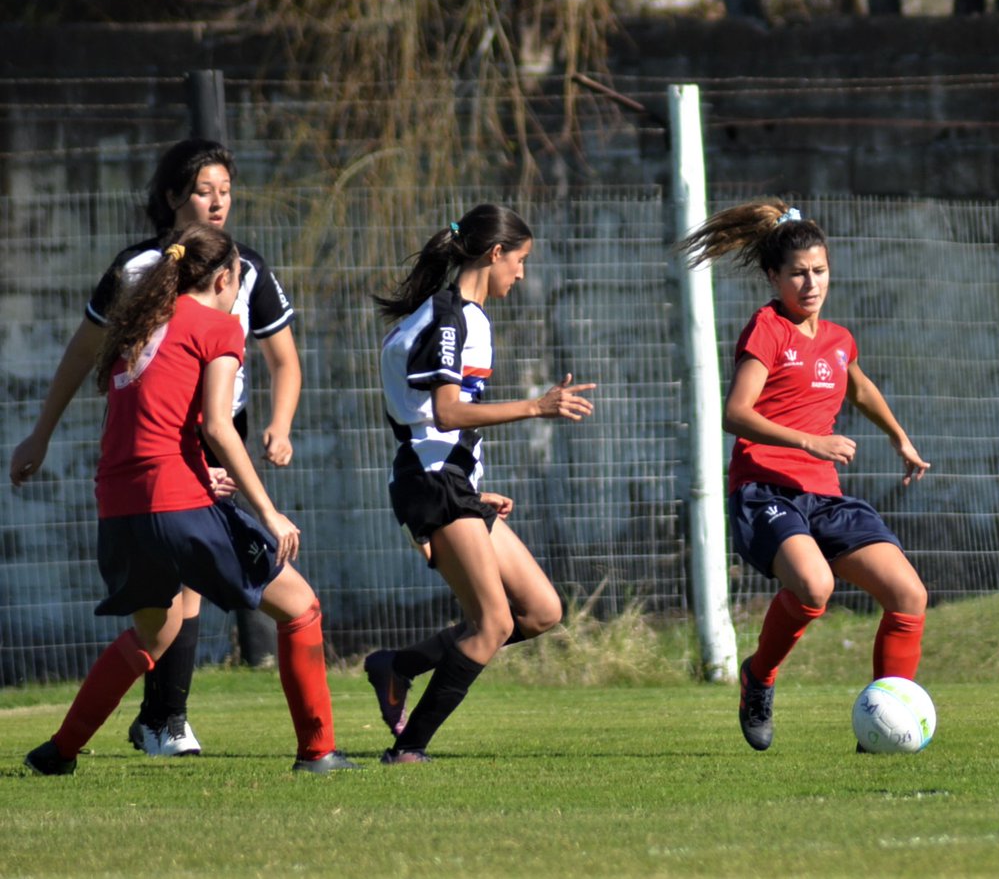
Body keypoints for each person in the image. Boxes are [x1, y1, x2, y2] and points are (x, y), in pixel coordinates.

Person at [22, 223, 356, 775]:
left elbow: (147, 425)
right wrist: (268, 512)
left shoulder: (137, 328)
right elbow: (221, 428)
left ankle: (58, 752)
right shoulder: (219, 327)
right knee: (301, 608)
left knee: (155, 633)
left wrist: (199, 472)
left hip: (121, 508)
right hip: (176, 505)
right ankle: (318, 753)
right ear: (225, 278)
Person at [9, 138, 301, 757]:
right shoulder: (136, 268)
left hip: (219, 434)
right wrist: (41, 431)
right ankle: (164, 719)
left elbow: (285, 359)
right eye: (203, 190)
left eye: (226, 190)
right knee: (184, 591)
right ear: (172, 197)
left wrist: (281, 422)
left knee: (177, 594)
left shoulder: (246, 269)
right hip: (163, 438)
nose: (218, 202)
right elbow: (83, 354)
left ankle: (150, 722)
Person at [678, 199, 930, 752]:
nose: (810, 283)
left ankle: (883, 728)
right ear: (774, 275)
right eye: (797, 273)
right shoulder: (767, 329)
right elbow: (735, 413)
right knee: (814, 587)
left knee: (909, 595)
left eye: (819, 271)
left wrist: (899, 436)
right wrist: (810, 441)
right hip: (765, 488)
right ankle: (759, 677)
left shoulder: (838, 339)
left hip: (824, 496)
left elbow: (856, 384)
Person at [364, 203, 595, 764]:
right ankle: (409, 749)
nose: (521, 273)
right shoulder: (449, 319)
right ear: (494, 254)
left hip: (449, 480)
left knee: (541, 611)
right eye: (518, 261)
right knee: (492, 623)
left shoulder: (462, 316)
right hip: (432, 479)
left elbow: (430, 414)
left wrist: (472, 485)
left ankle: (400, 664)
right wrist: (537, 407)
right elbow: (444, 413)